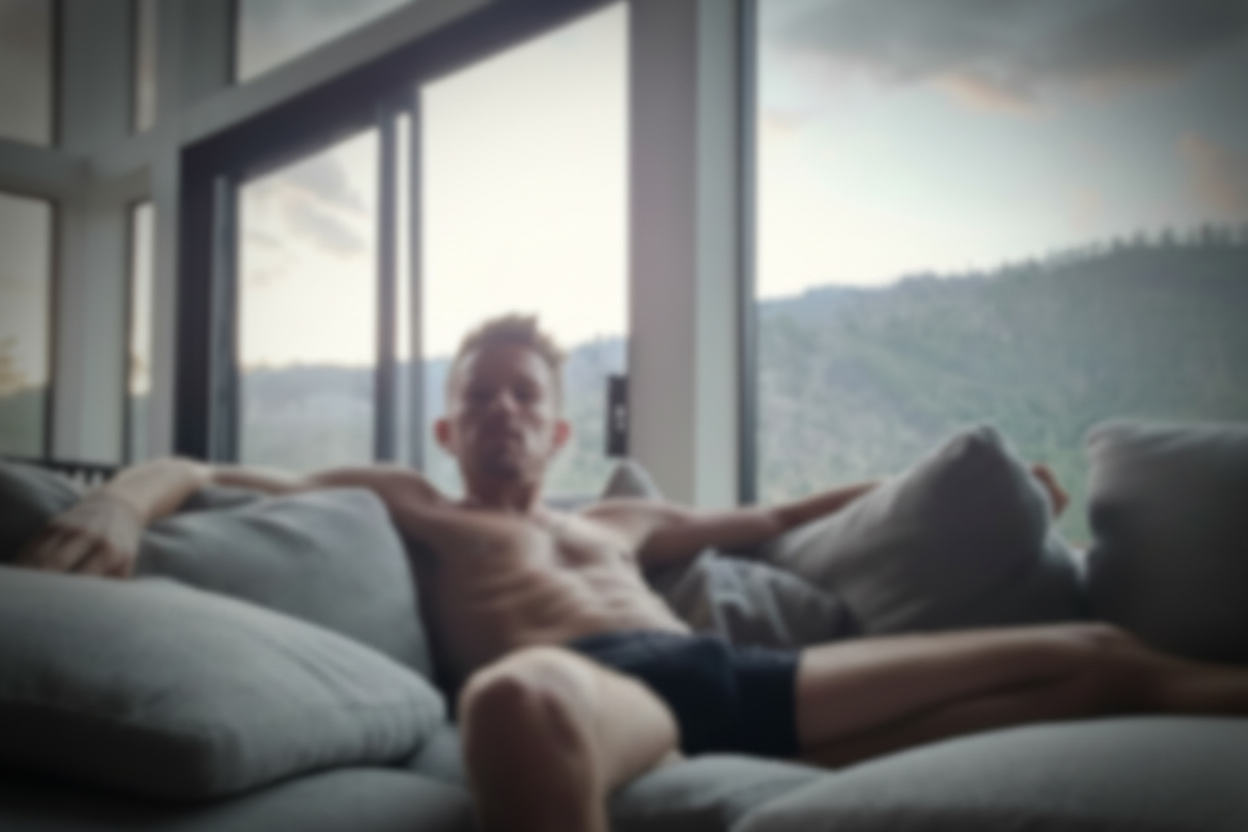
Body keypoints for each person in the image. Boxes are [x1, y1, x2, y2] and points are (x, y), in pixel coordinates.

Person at [15, 314, 1248, 832]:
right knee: (517, 700)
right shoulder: (414, 504)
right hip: (604, 691)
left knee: (1091, 656)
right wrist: (118, 501)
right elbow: (199, 466)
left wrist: (1003, 486)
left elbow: (781, 512)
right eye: (477, 397)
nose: (501, 411)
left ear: (559, 430)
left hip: (740, 676)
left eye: (524, 397)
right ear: (447, 426)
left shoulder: (622, 522)